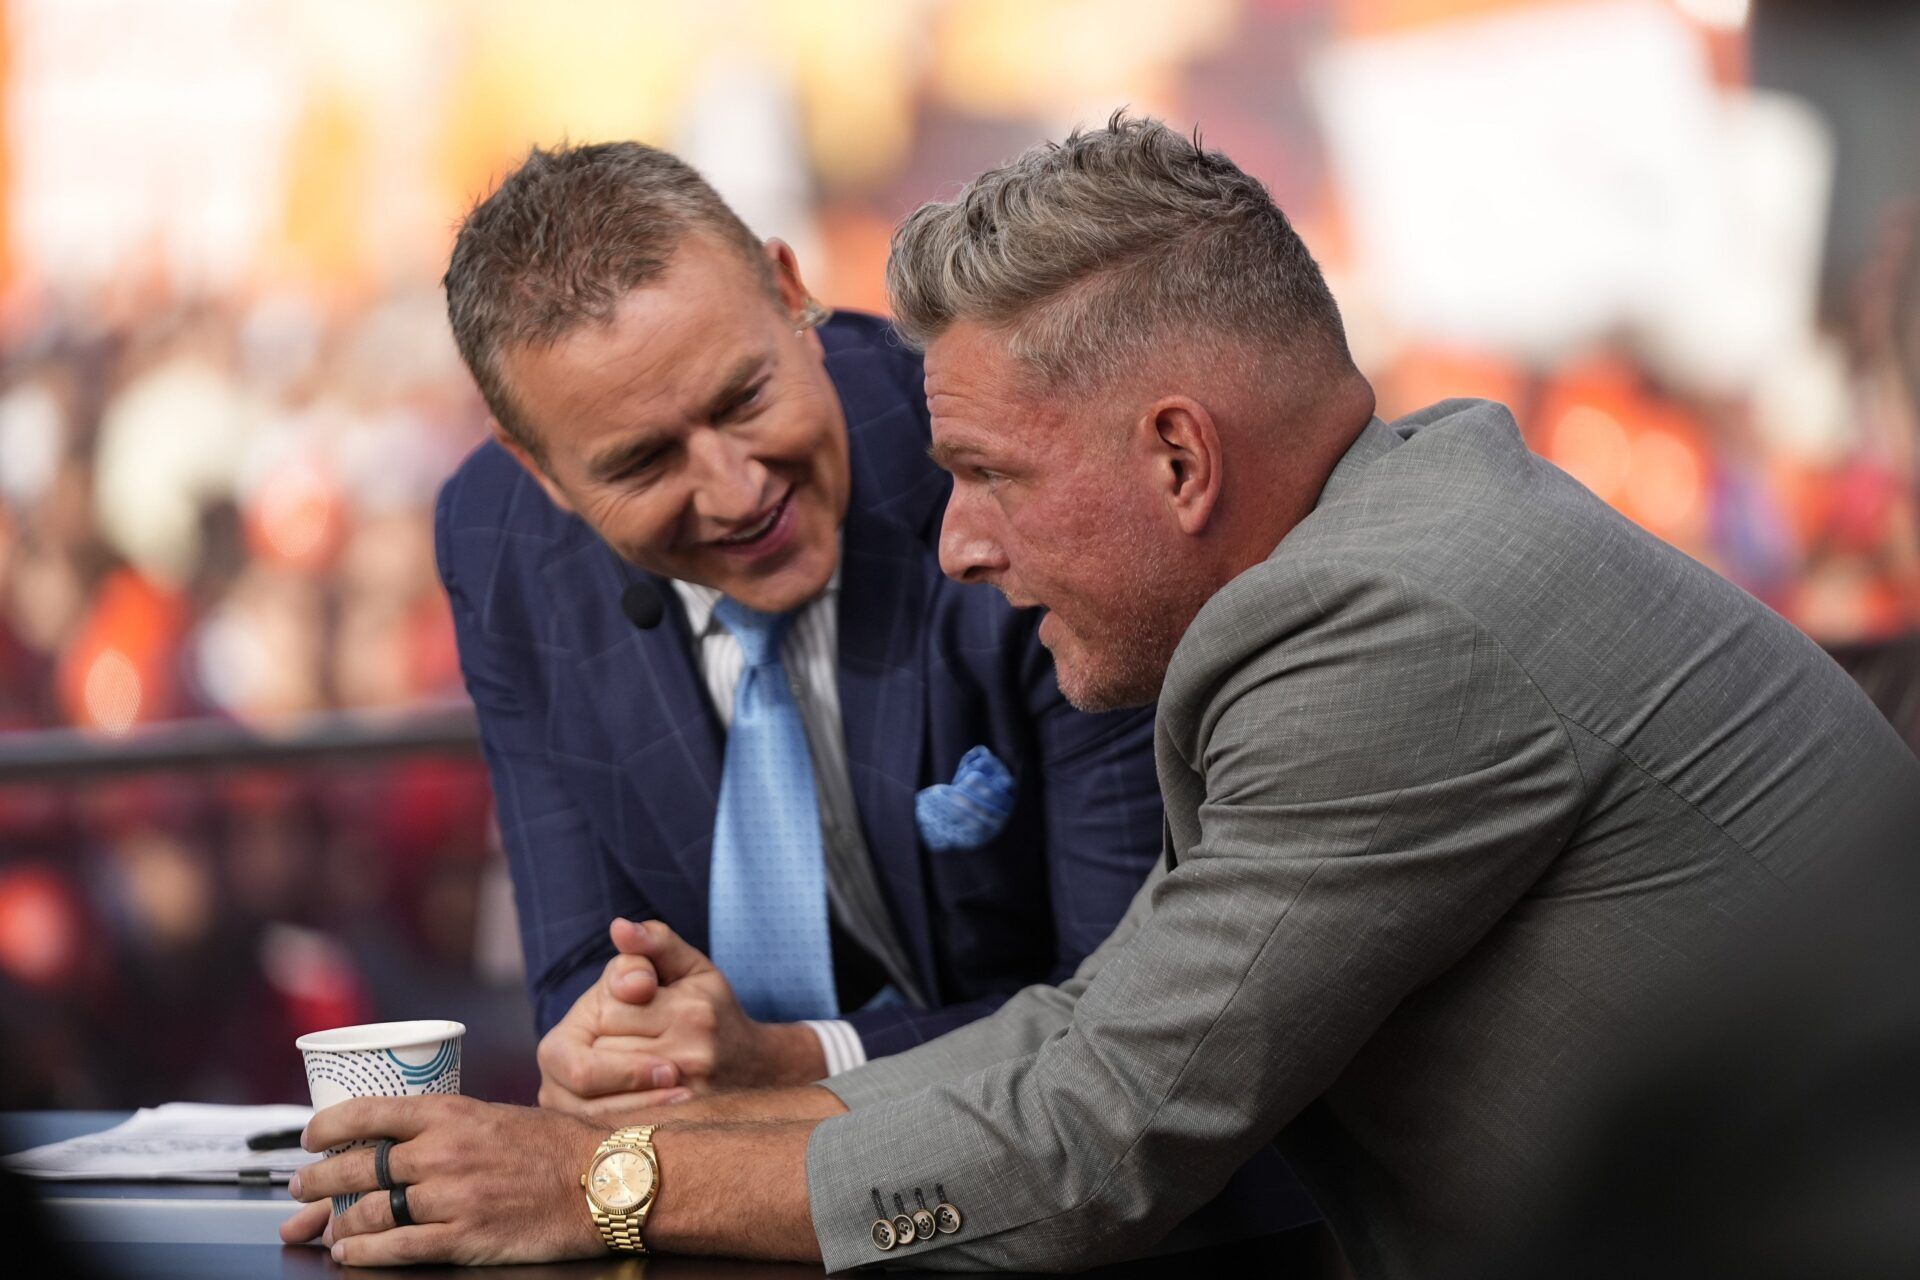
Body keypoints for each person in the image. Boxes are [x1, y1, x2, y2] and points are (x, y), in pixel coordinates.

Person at [282, 115, 1920, 1276]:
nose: (965, 543)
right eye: (640, 457)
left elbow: (1100, 1127)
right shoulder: (1382, 551)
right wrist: (742, 1091)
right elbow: (1093, 1039)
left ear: (1181, 459)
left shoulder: (1379, 634)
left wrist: (604, 1183)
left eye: (985, 476)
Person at [431, 141, 1173, 1107]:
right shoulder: (498, 538)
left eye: (746, 399)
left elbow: (1131, 1014)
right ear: (537, 469)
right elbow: (580, 973)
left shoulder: (1009, 458)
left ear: (792, 296)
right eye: (644, 464)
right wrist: (612, 1053)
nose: (737, 493)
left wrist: (796, 1065)